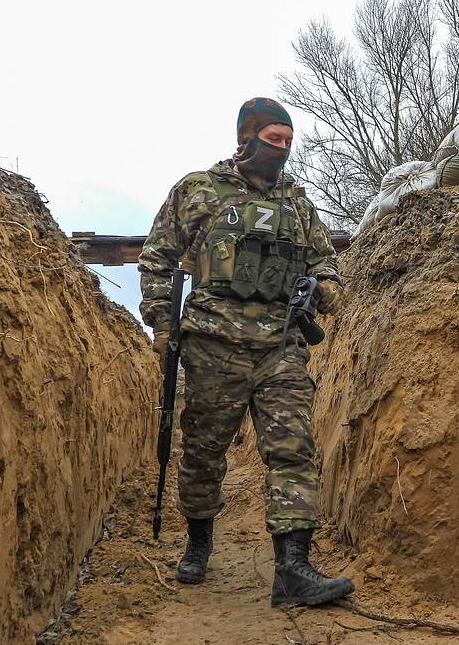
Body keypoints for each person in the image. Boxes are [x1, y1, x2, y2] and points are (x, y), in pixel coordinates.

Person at [138, 97, 353, 607]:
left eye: (287, 143)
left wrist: (321, 290)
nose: (280, 151)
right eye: (271, 140)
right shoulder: (197, 191)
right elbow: (156, 258)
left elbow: (328, 263)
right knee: (204, 452)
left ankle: (293, 568)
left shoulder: (298, 203)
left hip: (280, 345)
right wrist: (163, 326)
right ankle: (198, 541)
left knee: (292, 452)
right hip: (214, 343)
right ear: (245, 139)